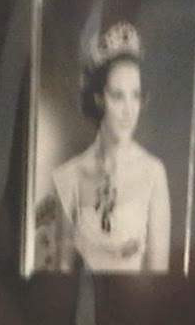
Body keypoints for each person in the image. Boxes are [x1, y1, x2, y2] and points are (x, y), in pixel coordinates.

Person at [45, 22, 170, 274]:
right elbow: (61, 276)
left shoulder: (153, 173)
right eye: (118, 96)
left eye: (136, 95)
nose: (129, 110)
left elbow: (158, 276)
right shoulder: (69, 177)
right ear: (99, 99)